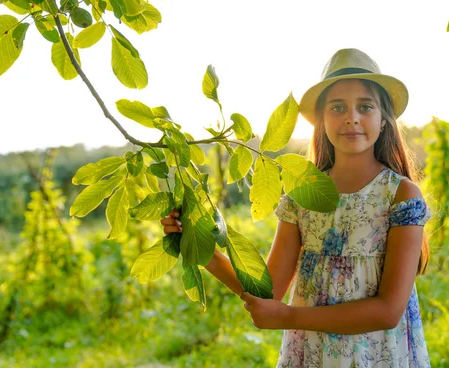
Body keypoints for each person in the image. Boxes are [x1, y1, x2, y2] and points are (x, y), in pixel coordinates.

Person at [161, 48, 432, 367]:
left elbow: (388, 311)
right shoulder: (302, 195)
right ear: (322, 120)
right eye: (338, 107)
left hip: (379, 355)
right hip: (312, 355)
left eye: (365, 106)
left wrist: (289, 315)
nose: (351, 117)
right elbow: (267, 292)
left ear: (384, 120)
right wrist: (198, 245)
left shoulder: (400, 194)